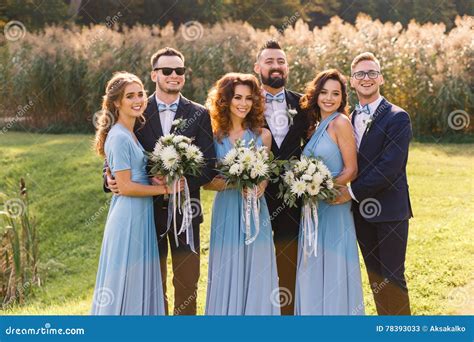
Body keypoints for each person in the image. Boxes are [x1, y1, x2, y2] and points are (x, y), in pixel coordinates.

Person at [104, 48, 216, 315]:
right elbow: (119, 150)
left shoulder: (199, 114)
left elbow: (209, 165)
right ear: (154, 74)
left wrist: (178, 181)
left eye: (180, 71)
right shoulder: (139, 108)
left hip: (187, 212)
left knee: (187, 281)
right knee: (151, 283)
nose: (174, 75)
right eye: (167, 70)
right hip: (145, 213)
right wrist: (108, 179)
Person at [92, 71, 176, 315]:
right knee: (125, 277)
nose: (138, 99)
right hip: (128, 216)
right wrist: (164, 188)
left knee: (136, 277)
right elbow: (126, 186)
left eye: (140, 94)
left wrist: (153, 178)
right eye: (130, 96)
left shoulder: (130, 131)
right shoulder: (119, 136)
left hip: (140, 213)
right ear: (117, 102)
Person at [336, 52, 413, 315]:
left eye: (371, 73)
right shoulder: (347, 118)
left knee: (393, 278)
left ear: (380, 78)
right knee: (376, 280)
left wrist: (351, 192)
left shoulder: (397, 117)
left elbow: (389, 168)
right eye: (360, 74)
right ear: (352, 81)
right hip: (361, 214)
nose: (366, 78)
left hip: (390, 211)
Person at [204, 73, 279, 315]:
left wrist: (262, 185)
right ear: (225, 100)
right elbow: (206, 182)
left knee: (257, 265)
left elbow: (265, 173)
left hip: (256, 210)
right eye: (237, 97)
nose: (243, 103)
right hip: (226, 210)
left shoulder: (263, 136)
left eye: (249, 98)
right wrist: (235, 181)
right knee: (227, 266)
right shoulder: (213, 137)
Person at [295, 69, 364, 315]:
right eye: (324, 92)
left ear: (342, 98)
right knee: (312, 265)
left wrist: (322, 189)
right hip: (312, 209)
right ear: (316, 94)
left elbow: (351, 169)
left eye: (335, 94)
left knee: (334, 267)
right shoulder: (314, 127)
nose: (329, 98)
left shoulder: (340, 123)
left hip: (334, 206)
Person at [253, 39, 309, 315]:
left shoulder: (304, 103)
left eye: (281, 61)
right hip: (253, 196)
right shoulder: (243, 104)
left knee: (288, 260)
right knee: (256, 261)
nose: (276, 66)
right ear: (257, 67)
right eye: (269, 61)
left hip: (291, 198)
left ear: (287, 67)